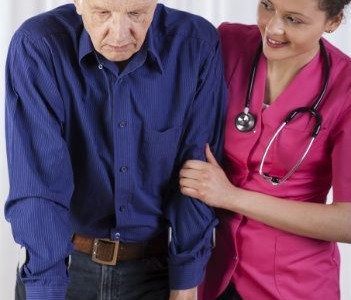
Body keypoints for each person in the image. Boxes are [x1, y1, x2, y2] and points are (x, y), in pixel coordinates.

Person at [4, 0, 226, 299]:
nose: (120, 34)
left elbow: (197, 172)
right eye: (103, 13)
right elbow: (39, 184)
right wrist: (46, 289)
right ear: (79, 3)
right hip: (63, 269)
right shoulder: (39, 46)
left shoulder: (196, 44)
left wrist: (185, 282)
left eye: (136, 13)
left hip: (157, 273)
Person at [179, 0, 351, 299]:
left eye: (294, 20)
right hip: (211, 274)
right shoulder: (227, 44)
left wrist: (230, 196)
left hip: (293, 284)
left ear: (333, 23)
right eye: (267, 6)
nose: (273, 27)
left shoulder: (345, 88)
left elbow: (347, 222)